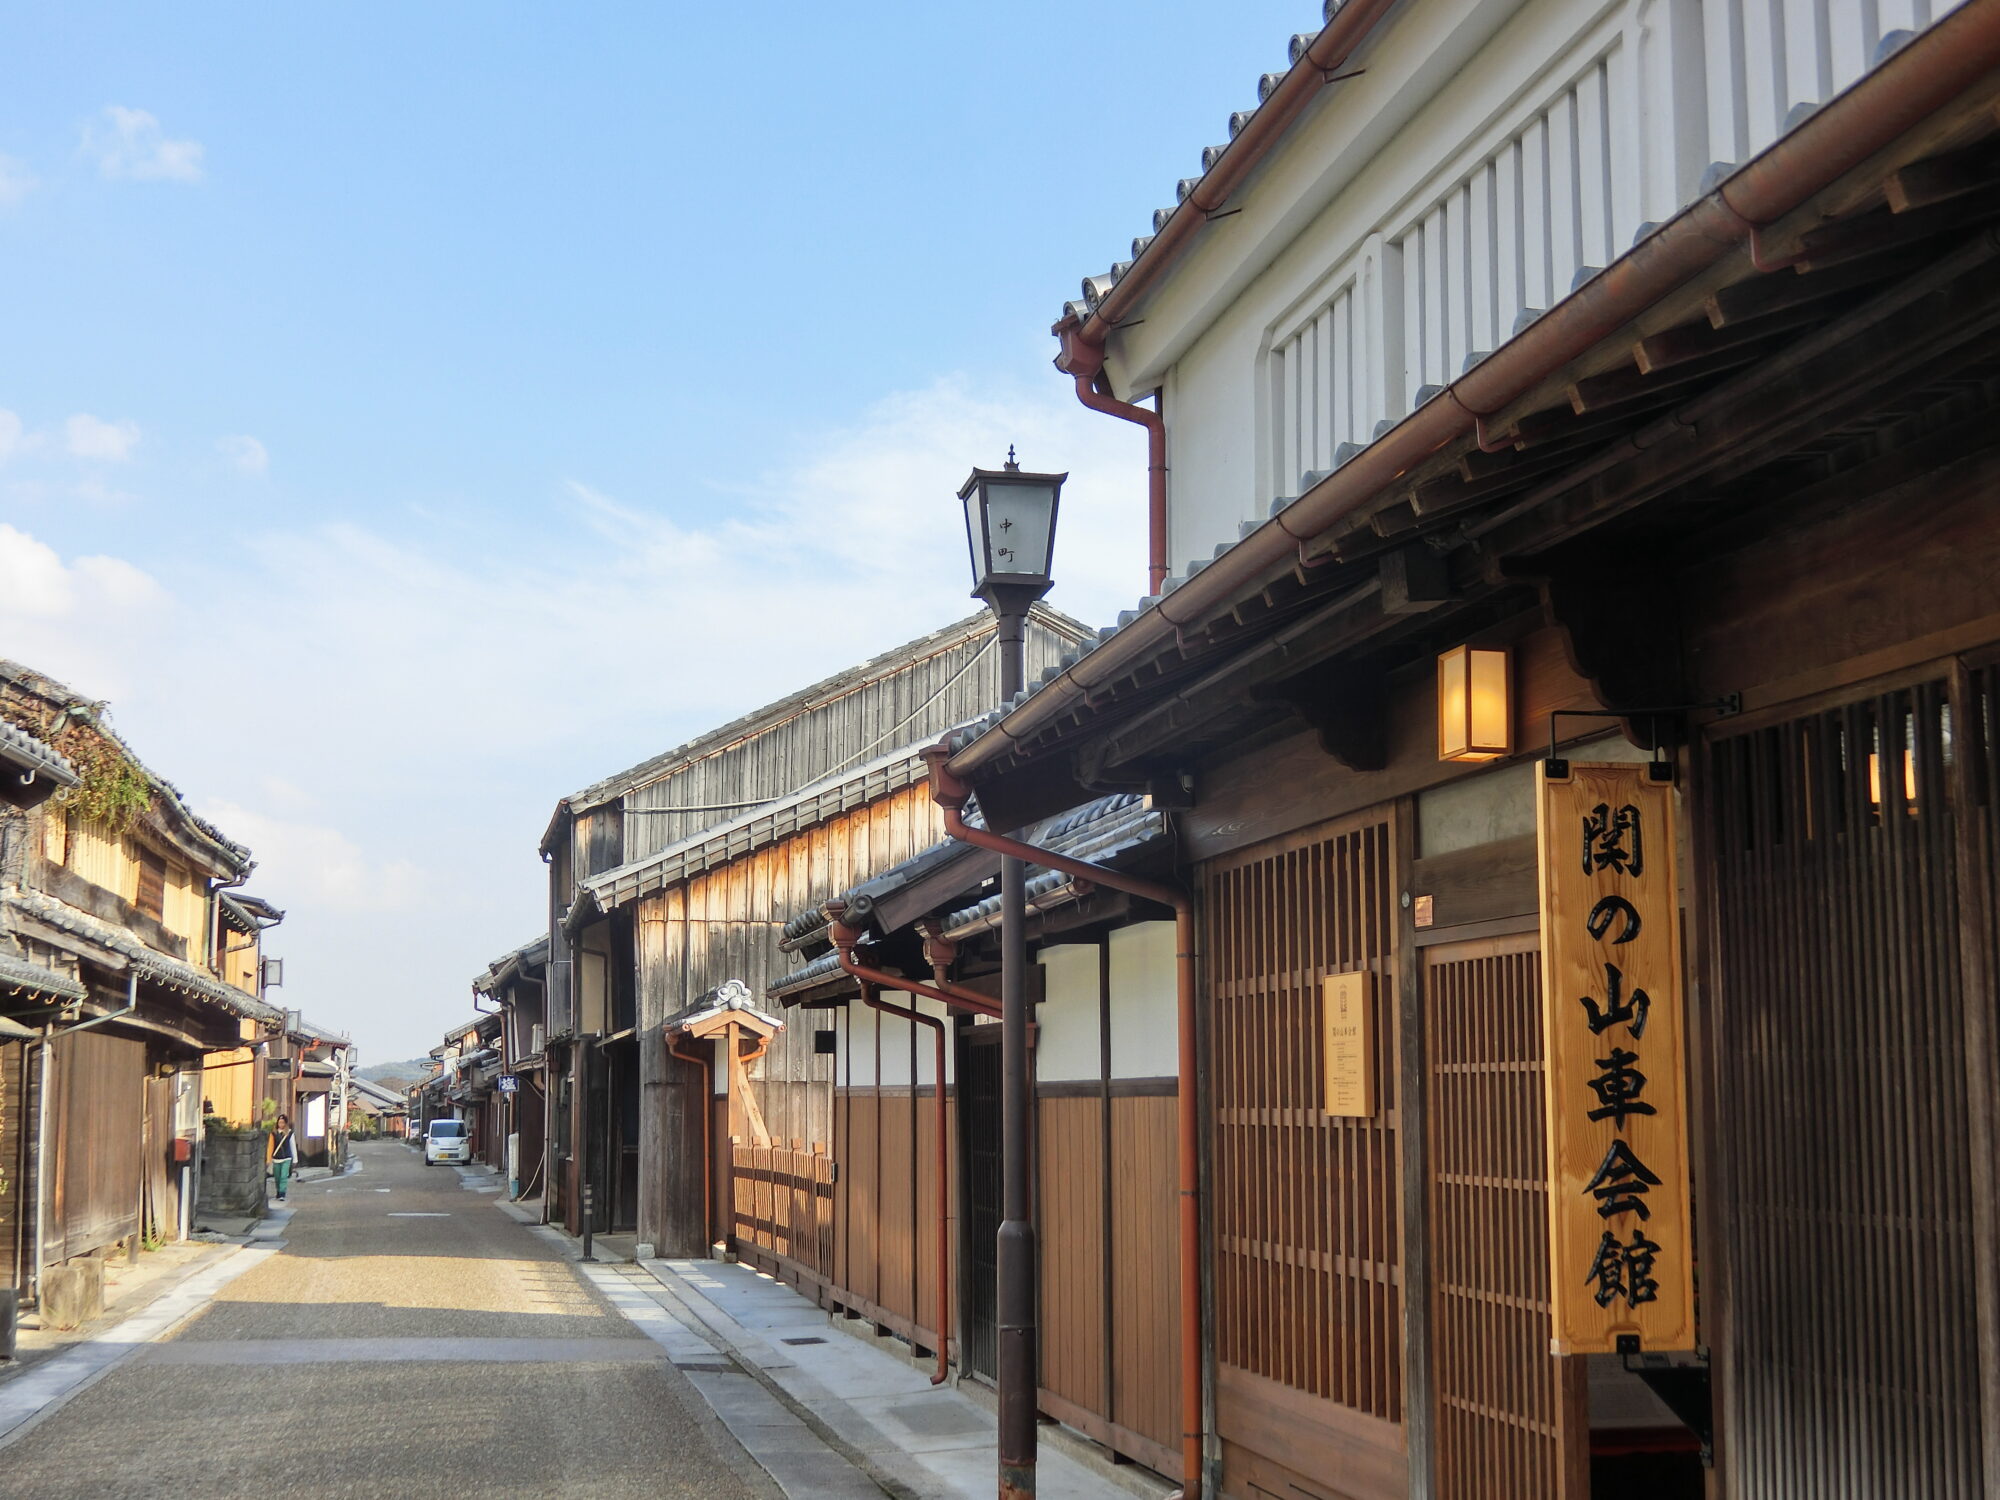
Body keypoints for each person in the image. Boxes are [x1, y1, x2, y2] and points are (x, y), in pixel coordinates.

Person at [270, 1113, 299, 1203]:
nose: (281, 1124)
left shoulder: (290, 1133)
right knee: (277, 1177)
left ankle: (282, 1193)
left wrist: (295, 1160)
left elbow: (293, 1146)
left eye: (283, 1122)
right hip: (276, 1158)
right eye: (279, 1122)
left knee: (283, 1176)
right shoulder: (274, 1133)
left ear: (286, 1123)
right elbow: (270, 1146)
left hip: (287, 1158)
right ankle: (278, 1191)